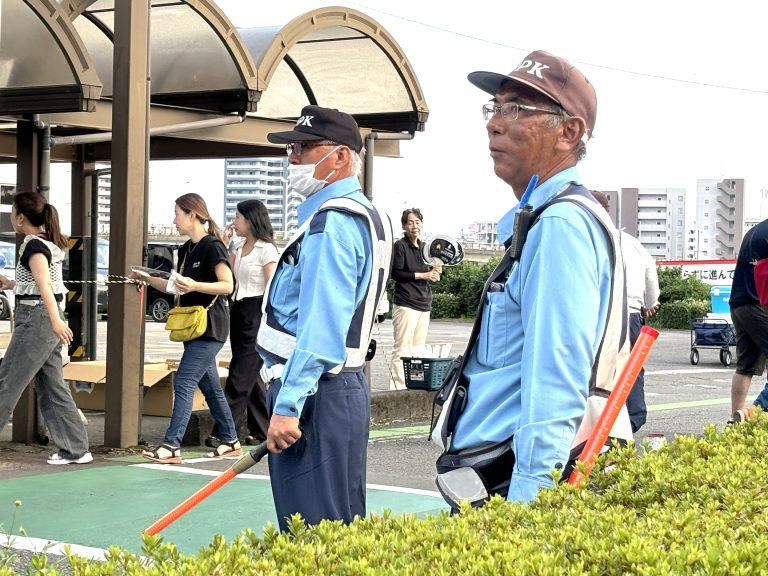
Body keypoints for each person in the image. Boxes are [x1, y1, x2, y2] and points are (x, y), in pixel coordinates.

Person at [437, 50, 631, 506]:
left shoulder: (560, 225)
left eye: (516, 109)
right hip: (495, 475)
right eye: (495, 107)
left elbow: (557, 380)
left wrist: (529, 505)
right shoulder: (546, 219)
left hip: (511, 488)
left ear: (569, 132)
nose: (494, 123)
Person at [256, 105, 392, 531]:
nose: (293, 158)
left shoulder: (332, 222)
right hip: (338, 389)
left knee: (312, 536)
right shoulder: (364, 214)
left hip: (316, 393)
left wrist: (288, 405)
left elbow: (321, 327)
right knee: (338, 530)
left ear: (340, 156)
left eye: (304, 147)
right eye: (291, 149)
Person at [136, 193, 240, 463]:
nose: (174, 220)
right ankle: (231, 440)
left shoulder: (213, 246)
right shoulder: (185, 250)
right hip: (193, 326)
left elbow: (227, 285)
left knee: (183, 381)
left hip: (210, 326)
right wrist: (147, 279)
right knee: (210, 386)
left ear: (192, 214)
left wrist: (195, 285)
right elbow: (175, 286)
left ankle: (172, 445)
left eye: (177, 214)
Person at [0, 192, 92, 465]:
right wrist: (12, 284)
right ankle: (76, 449)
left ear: (20, 218)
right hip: (44, 318)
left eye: (12, 212)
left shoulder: (33, 245)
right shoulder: (47, 242)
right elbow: (40, 283)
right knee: (52, 387)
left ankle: (75, 449)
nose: (11, 217)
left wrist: (54, 321)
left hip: (37, 320)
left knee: (7, 381)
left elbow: (44, 286)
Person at [208, 200, 278, 447]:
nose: (234, 221)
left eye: (238, 217)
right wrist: (225, 243)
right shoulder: (238, 246)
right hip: (237, 310)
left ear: (250, 220)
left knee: (239, 374)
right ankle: (261, 430)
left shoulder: (266, 250)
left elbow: (272, 288)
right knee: (251, 374)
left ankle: (223, 431)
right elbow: (228, 277)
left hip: (257, 311)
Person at [592, 191, 659, 433]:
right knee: (631, 368)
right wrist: (649, 302)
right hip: (631, 313)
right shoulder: (631, 242)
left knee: (596, 369)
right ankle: (632, 420)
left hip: (599, 313)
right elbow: (650, 274)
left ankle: (595, 425)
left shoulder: (589, 237)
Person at [389, 208, 441, 390]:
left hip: (423, 304)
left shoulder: (427, 248)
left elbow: (431, 274)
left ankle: (414, 387)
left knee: (418, 351)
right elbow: (396, 274)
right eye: (410, 222)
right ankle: (397, 390)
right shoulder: (400, 246)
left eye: (417, 222)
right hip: (405, 304)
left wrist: (435, 272)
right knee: (402, 349)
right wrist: (423, 275)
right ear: (404, 226)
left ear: (422, 224)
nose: (414, 226)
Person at [727, 217, 768, 424]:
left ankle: (735, 422)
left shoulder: (756, 230)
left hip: (740, 304)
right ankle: (750, 414)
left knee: (746, 367)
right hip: (759, 304)